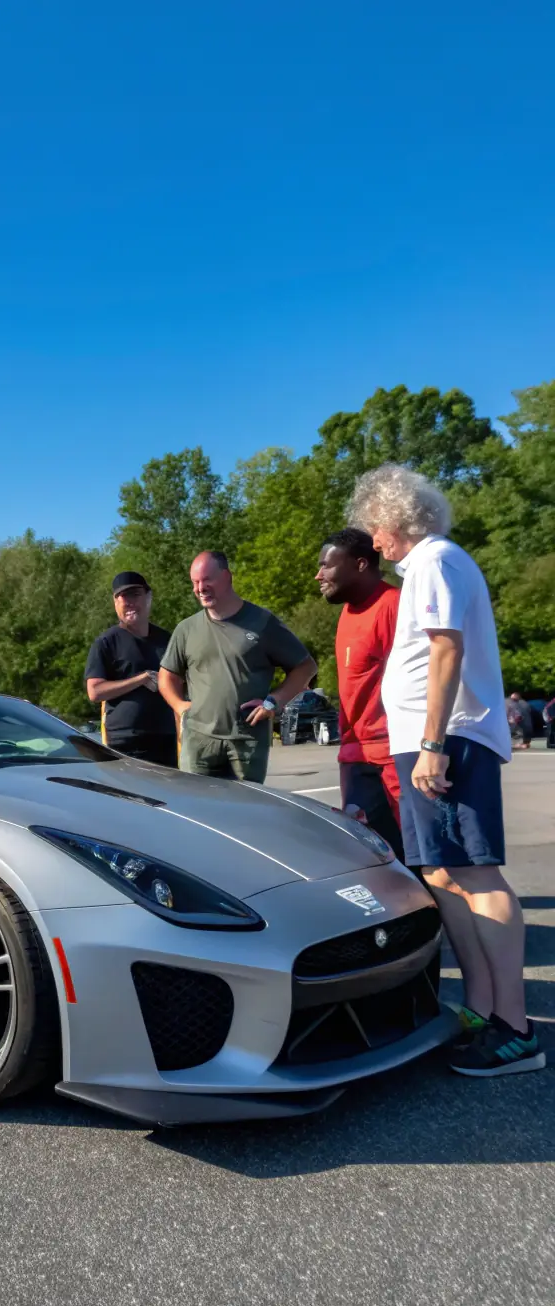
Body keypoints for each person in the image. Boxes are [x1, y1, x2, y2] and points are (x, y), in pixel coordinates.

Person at [348, 462, 544, 1077]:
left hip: (449, 740)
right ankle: (485, 1011)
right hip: (427, 742)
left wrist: (433, 741)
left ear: (395, 520)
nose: (373, 540)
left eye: (374, 527)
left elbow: (446, 647)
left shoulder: (435, 560)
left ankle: (515, 1027)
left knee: (474, 873)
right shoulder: (429, 566)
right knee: (441, 872)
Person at [159, 551, 317, 783]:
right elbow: (166, 677)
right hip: (199, 742)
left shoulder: (262, 622)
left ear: (227, 577)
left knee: (245, 812)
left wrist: (273, 702)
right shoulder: (186, 629)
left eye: (207, 580)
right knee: (197, 810)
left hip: (247, 740)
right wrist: (181, 707)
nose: (200, 588)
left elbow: (305, 667)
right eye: (195, 582)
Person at [316, 528, 403, 859]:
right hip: (355, 758)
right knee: (371, 859)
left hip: (392, 756)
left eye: (327, 565)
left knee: (414, 860)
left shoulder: (392, 606)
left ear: (361, 564)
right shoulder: (347, 613)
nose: (318, 574)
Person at [84, 572, 177, 767]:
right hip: (125, 741)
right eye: (122, 598)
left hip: (166, 737)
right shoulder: (106, 642)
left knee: (168, 796)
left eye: (135, 595)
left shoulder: (167, 639)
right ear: (115, 603)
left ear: (148, 597)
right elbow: (95, 692)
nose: (129, 603)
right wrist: (141, 679)